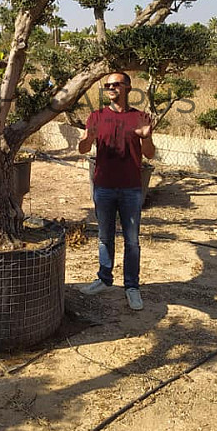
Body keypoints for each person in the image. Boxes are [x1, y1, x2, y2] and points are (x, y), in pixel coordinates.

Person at [78, 72, 155, 310]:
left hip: (131, 187)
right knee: (104, 237)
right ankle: (104, 278)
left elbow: (149, 154)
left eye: (116, 84)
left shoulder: (140, 118)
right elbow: (83, 149)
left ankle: (132, 287)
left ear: (128, 87)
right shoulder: (96, 116)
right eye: (108, 85)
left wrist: (147, 136)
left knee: (132, 240)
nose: (111, 88)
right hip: (103, 187)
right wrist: (87, 138)